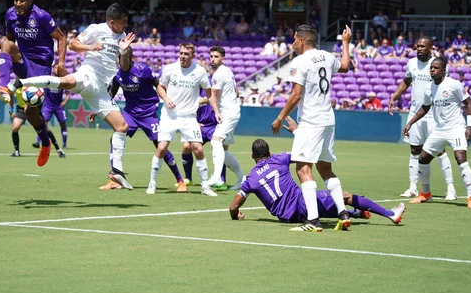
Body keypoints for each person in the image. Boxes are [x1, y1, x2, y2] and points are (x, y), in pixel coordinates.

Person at [0, 3, 136, 189]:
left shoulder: (123, 39)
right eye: (123, 22)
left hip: (102, 90)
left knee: (122, 127)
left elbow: (125, 67)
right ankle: (18, 84)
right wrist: (92, 47)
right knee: (66, 82)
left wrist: (125, 51)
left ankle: (116, 172)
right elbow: (73, 44)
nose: (126, 25)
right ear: (112, 22)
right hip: (90, 74)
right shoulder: (97, 29)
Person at [271, 24, 352, 232]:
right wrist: (345, 43)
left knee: (303, 169)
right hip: (328, 120)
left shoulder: (299, 61)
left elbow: (296, 95)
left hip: (311, 121)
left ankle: (313, 220)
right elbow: (345, 66)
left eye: (294, 40)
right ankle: (343, 214)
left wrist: (281, 117)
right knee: (325, 169)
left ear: (301, 41)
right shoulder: (326, 56)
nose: (292, 44)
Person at [229, 137, 405, 225]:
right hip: (301, 202)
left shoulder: (250, 179)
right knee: (342, 196)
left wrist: (236, 215)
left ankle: (355, 213)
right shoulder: (280, 159)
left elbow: (233, 207)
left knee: (319, 208)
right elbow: (302, 153)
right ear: (269, 153)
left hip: (288, 217)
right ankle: (391, 214)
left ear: (252, 156)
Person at [0, 0, 67, 167]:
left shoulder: (42, 16)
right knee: (5, 44)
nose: (18, 4)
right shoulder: (10, 15)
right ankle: (4, 88)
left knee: (32, 113)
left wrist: (60, 63)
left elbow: (61, 38)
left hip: (41, 67)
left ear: (30, 1)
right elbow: (10, 40)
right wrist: (1, 45)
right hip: (23, 62)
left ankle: (46, 143)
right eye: (16, 0)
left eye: (22, 0)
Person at [96, 51, 185, 191]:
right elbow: (111, 94)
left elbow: (158, 85)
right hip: (130, 113)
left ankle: (180, 180)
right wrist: (98, 108)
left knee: (160, 145)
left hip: (148, 113)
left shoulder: (143, 70)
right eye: (118, 59)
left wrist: (167, 99)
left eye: (122, 58)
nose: (119, 62)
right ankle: (115, 179)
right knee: (115, 138)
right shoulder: (118, 75)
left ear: (129, 58)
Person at [389, 37, 456, 201]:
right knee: (414, 150)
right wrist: (394, 96)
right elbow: (406, 81)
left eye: (422, 46)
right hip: (415, 113)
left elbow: (446, 86)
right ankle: (413, 187)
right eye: (417, 46)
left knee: (439, 151)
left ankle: (451, 188)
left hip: (434, 114)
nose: (419, 49)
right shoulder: (411, 63)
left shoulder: (437, 64)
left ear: (430, 48)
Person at [146, 42, 217, 196]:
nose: (183, 56)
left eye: (186, 54)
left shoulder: (200, 71)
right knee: (162, 147)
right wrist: (165, 99)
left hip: (189, 117)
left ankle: (205, 187)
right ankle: (152, 184)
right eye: (181, 53)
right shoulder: (170, 68)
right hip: (170, 115)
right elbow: (160, 86)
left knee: (198, 149)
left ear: (193, 55)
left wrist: (216, 111)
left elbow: (209, 93)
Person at [403, 57, 471, 208]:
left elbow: (468, 103)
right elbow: (425, 108)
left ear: (443, 70)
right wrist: (410, 123)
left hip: (456, 128)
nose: (432, 70)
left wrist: (470, 126)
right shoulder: (429, 87)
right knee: (423, 158)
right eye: (431, 67)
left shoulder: (454, 84)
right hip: (439, 129)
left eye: (436, 68)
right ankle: (426, 194)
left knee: (460, 157)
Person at [206, 46, 245, 189]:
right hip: (233, 111)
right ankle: (242, 178)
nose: (213, 59)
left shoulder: (218, 74)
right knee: (223, 148)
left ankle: (216, 176)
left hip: (228, 113)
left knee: (215, 141)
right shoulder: (228, 71)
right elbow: (236, 92)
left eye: (216, 57)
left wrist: (217, 112)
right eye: (211, 56)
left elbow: (213, 96)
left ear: (223, 58)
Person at [32, 86, 70, 156]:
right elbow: (43, 93)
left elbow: (68, 94)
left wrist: (65, 102)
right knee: (43, 124)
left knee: (63, 124)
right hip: (48, 106)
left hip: (59, 107)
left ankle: (64, 144)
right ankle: (37, 142)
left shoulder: (61, 82)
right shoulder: (49, 81)